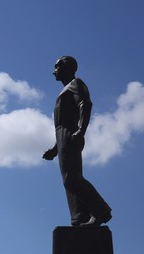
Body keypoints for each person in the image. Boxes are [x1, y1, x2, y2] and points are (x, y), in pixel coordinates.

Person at [43, 56, 112, 226]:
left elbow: (85, 104)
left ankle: (101, 211)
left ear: (68, 68)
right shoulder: (66, 89)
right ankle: (79, 217)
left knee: (71, 178)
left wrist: (81, 130)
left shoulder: (75, 84)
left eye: (57, 67)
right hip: (62, 136)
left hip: (70, 133)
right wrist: (55, 148)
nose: (54, 71)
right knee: (68, 180)